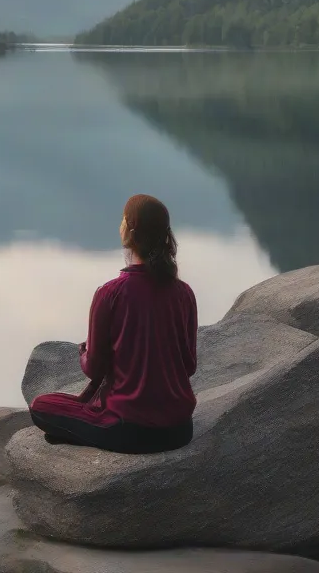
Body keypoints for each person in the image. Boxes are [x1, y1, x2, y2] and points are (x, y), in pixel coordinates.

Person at [29, 194, 198, 454]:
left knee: (42, 406)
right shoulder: (184, 293)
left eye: (122, 219)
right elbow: (188, 366)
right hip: (180, 429)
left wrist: (84, 353)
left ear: (129, 231)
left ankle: (89, 434)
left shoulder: (110, 293)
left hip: (130, 431)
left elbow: (94, 368)